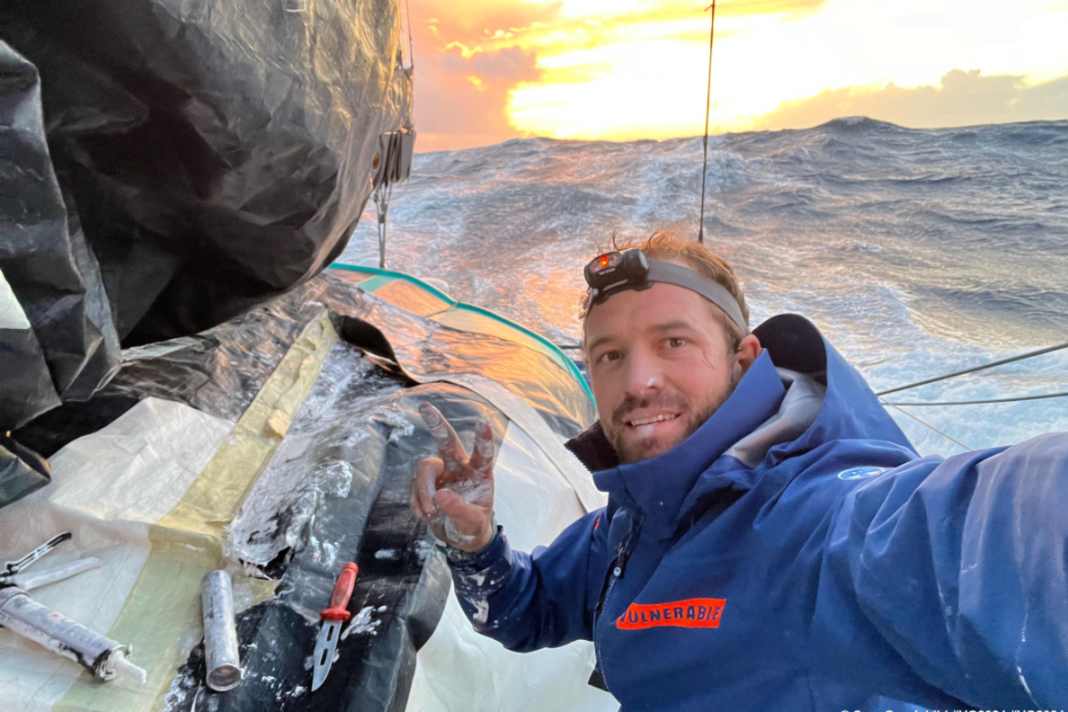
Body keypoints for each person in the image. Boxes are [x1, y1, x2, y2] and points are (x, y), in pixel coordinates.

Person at [409, 229, 1068, 710]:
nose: (637, 380)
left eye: (674, 342)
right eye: (608, 355)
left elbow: (991, 535)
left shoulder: (811, 524)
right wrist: (474, 550)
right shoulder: (633, 518)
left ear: (745, 360)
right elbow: (523, 614)